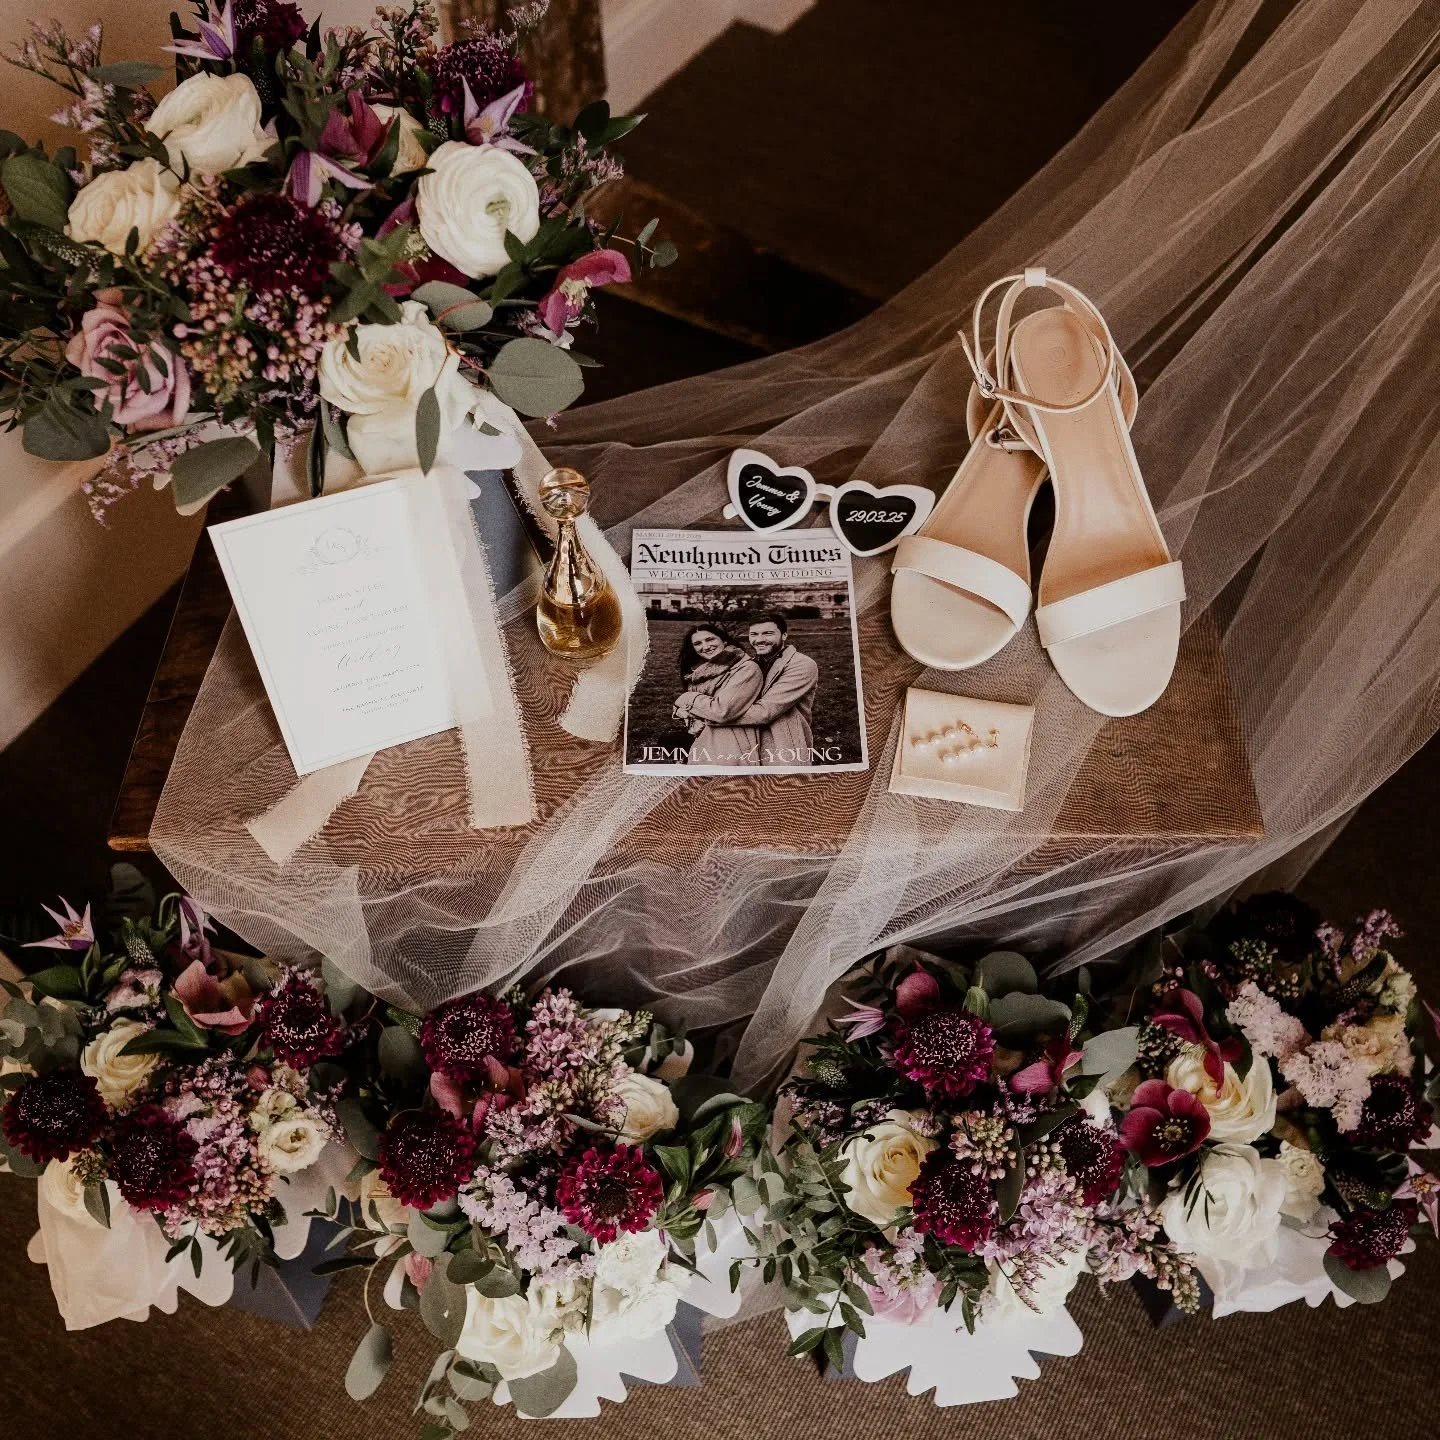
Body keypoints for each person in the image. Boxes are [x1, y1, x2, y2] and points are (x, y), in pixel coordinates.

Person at [671, 624, 763, 766]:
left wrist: (686, 699)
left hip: (732, 744)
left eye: (710, 639)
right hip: (702, 740)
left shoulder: (746, 668)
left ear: (724, 641)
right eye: (698, 643)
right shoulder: (699, 672)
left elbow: (722, 711)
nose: (705, 646)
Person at [736, 613, 820, 766]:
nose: (759, 639)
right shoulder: (748, 665)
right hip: (745, 741)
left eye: (768, 633)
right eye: (754, 634)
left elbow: (764, 712)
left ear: (784, 635)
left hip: (783, 743)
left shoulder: (802, 664)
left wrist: (712, 716)